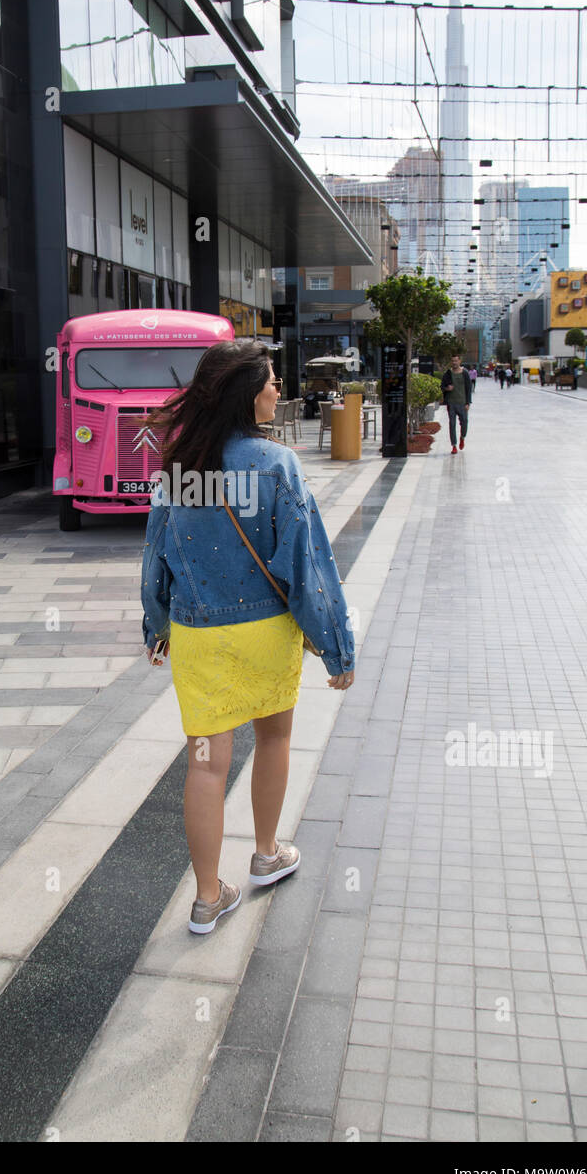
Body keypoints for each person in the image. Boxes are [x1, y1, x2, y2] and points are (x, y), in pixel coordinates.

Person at [140, 341, 356, 935]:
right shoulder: (276, 465)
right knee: (275, 737)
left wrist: (155, 626)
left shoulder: (179, 466)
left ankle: (208, 897)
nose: (278, 391)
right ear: (246, 392)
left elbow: (156, 557)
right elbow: (308, 564)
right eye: (270, 382)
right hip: (266, 632)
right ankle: (266, 853)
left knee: (206, 764)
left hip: (198, 635)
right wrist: (335, 645)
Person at [440, 353, 471, 454]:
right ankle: (454, 445)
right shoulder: (448, 373)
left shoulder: (465, 373)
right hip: (451, 403)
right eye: (453, 361)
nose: (454, 363)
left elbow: (468, 388)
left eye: (456, 361)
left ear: (459, 361)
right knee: (452, 424)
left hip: (462, 403)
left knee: (464, 423)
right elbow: (442, 386)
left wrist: (468, 403)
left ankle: (462, 437)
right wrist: (447, 388)